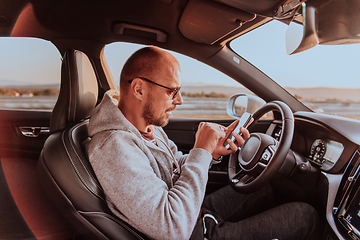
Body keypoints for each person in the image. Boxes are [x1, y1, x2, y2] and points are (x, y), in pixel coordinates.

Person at [87, 46, 321, 240]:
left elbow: (175, 166)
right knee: (304, 216)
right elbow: (172, 227)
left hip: (193, 211)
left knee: (264, 188)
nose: (180, 100)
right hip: (192, 232)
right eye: (172, 91)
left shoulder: (148, 127)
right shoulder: (114, 148)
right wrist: (200, 151)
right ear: (139, 88)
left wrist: (211, 152)